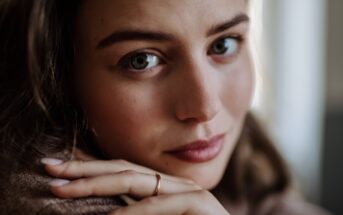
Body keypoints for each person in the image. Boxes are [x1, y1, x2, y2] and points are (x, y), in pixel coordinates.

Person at [0, 0, 331, 214]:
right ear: (58, 77)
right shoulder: (38, 198)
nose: (205, 107)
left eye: (223, 44)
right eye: (141, 60)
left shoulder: (250, 168)